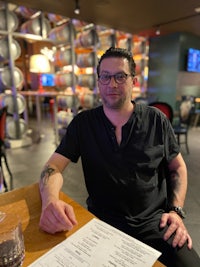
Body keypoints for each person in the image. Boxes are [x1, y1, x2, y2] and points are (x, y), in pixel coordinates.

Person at [39, 47, 200, 266]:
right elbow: (53, 167)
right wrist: (50, 200)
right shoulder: (83, 124)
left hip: (155, 223)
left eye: (120, 76)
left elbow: (178, 168)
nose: (112, 84)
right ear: (98, 82)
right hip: (101, 224)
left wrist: (176, 211)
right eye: (105, 77)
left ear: (133, 81)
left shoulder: (156, 120)